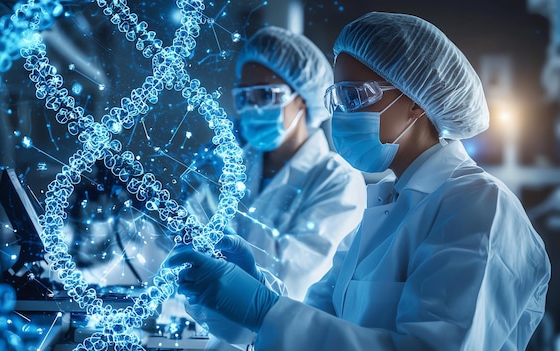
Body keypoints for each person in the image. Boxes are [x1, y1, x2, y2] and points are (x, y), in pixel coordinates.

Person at [166, 12, 551, 350]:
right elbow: (323, 321)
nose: (341, 115)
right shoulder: (385, 207)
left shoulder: (477, 204)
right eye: (336, 100)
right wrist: (256, 297)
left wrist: (265, 312)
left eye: (355, 97)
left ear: (416, 100)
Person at [183, 25, 366, 301]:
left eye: (266, 95)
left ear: (303, 99)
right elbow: (179, 253)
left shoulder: (337, 181)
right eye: (245, 97)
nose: (253, 108)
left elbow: (293, 280)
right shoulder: (226, 169)